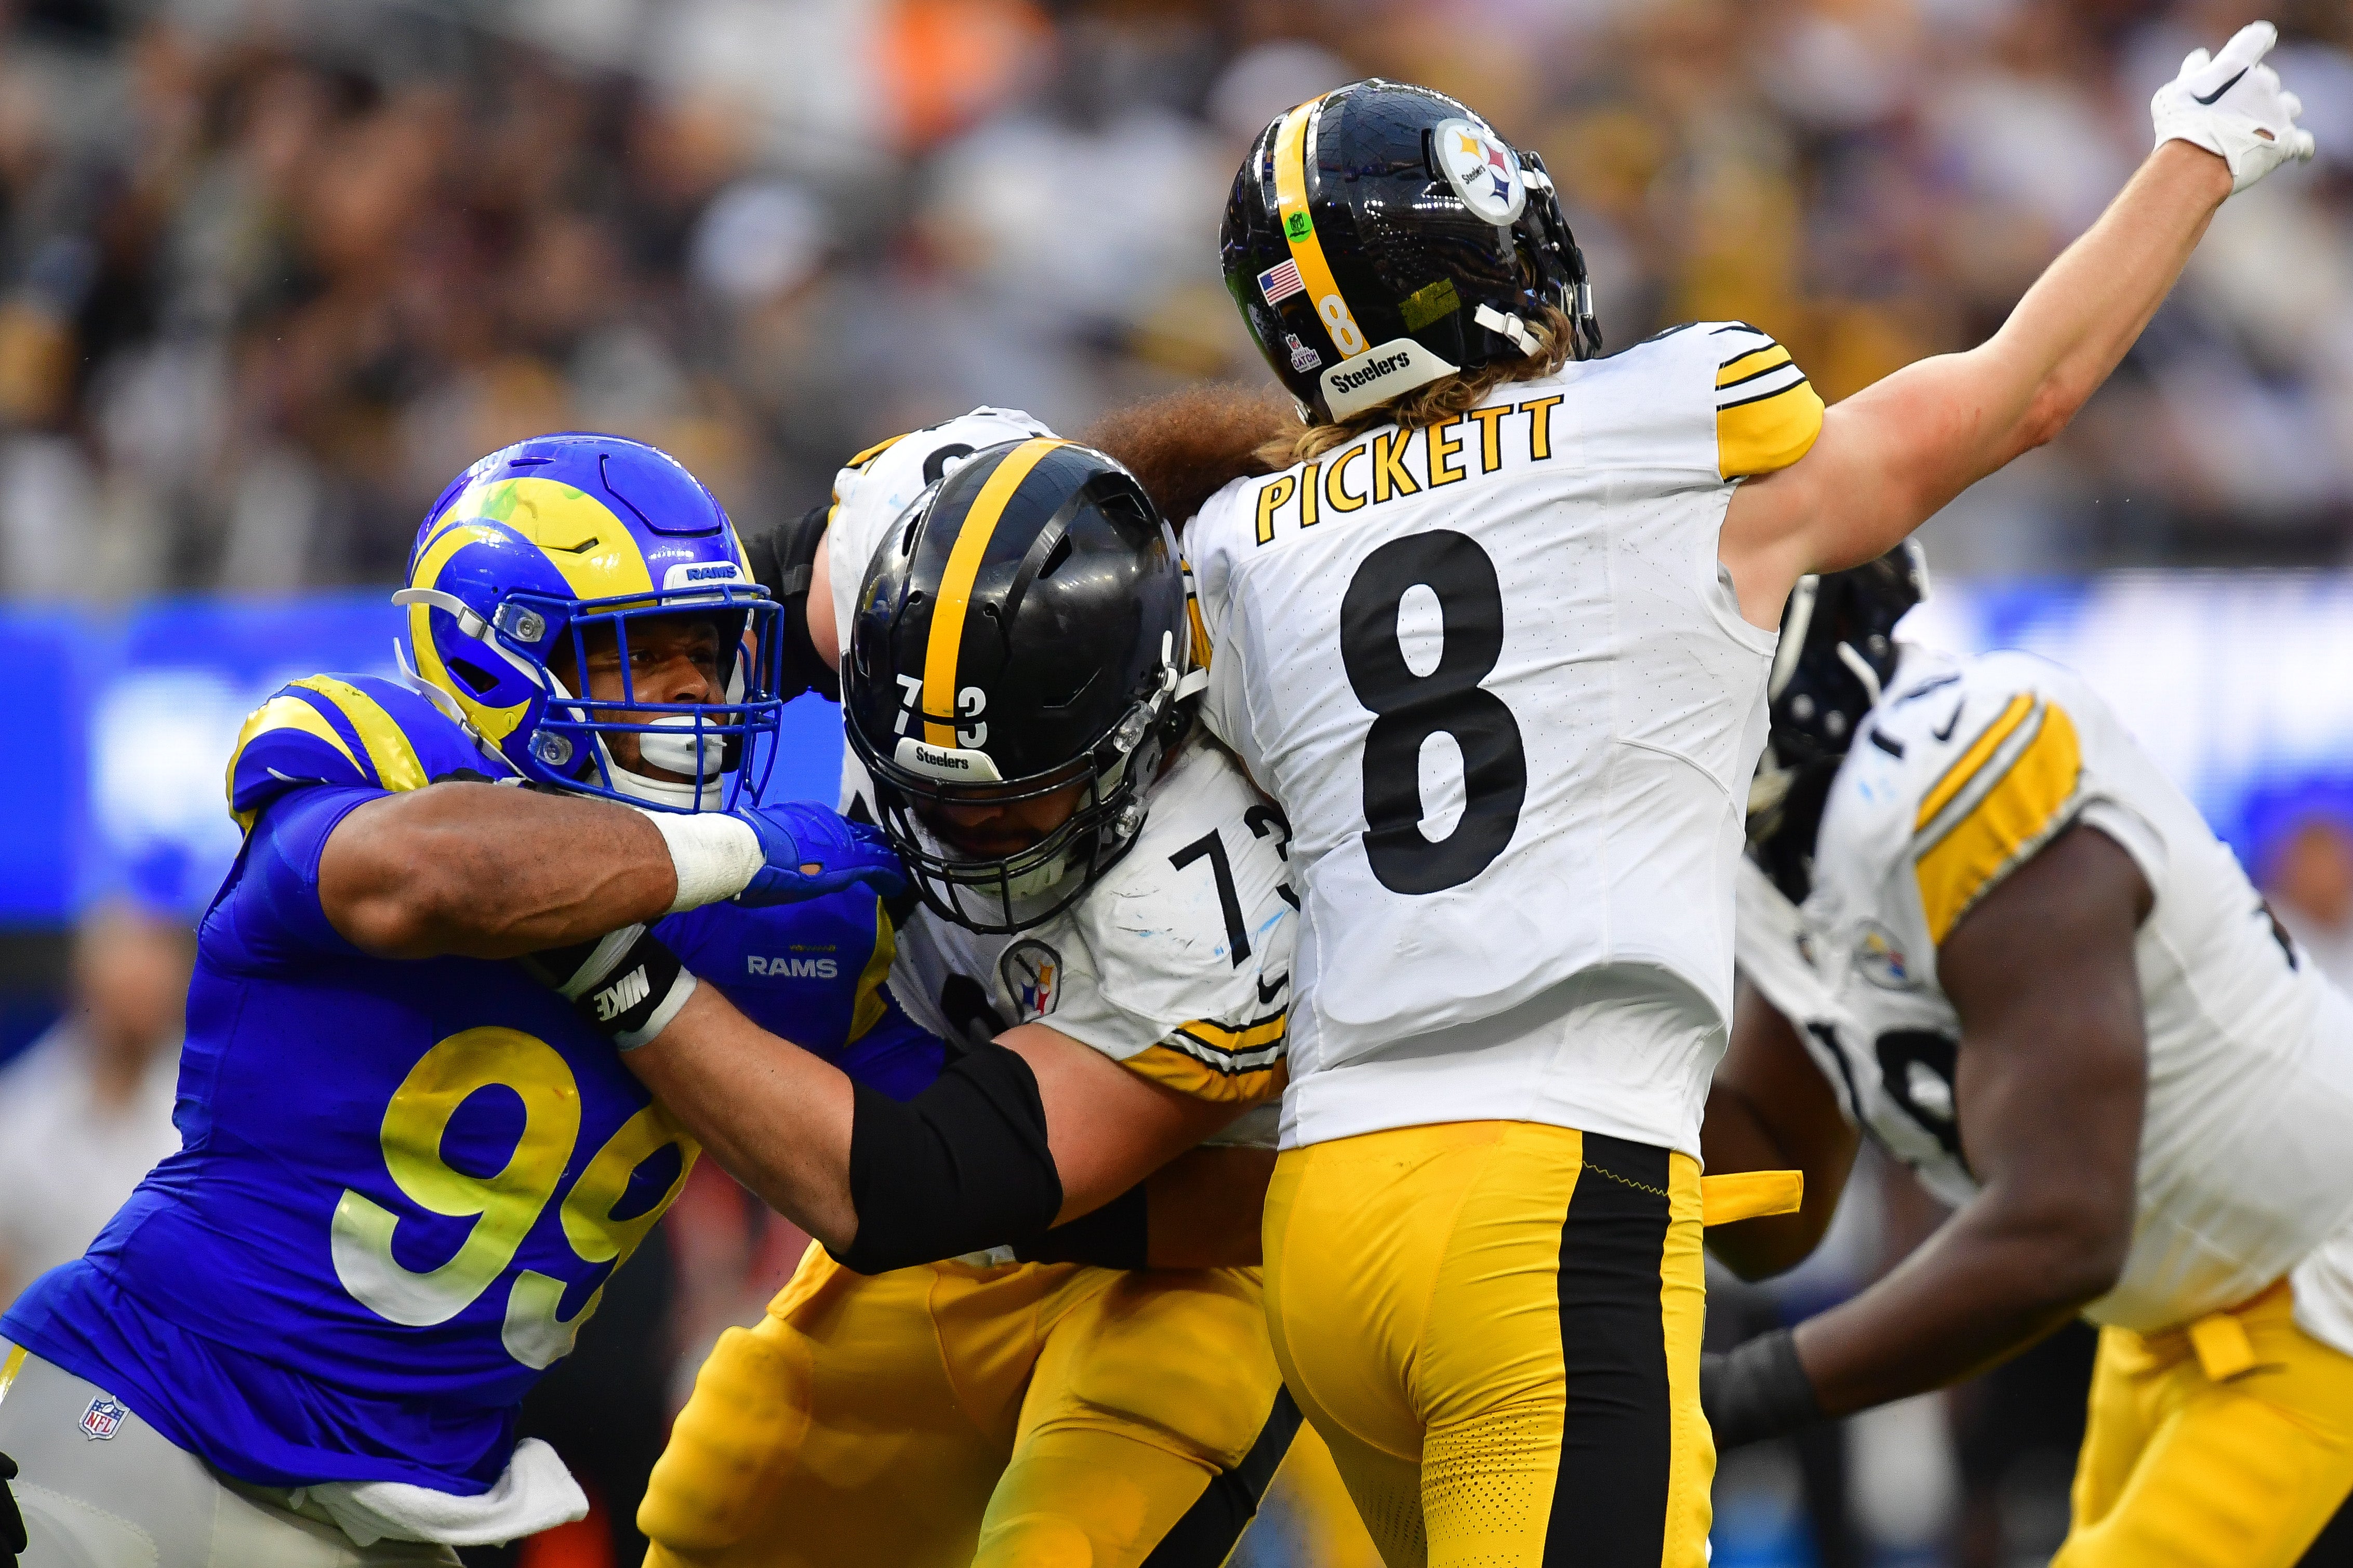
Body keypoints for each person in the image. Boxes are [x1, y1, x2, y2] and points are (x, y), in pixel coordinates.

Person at [1169, 34, 2317, 1566]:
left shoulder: (1243, 542)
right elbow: (2019, 396)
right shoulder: (1666, 428)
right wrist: (2193, 160)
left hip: (1322, 1203)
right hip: (1543, 1193)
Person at [0, 432, 905, 1565]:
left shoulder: (772, 928)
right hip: (151, 1417)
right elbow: (434, 875)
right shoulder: (386, 766)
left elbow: (884, 1183)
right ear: (496, 666)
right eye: (639, 653)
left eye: (708, 652)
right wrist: (731, 850)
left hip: (410, 1507)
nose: (693, 693)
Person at [625, 424, 1315, 1567]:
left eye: (1011, 801)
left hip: (1180, 1259)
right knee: (716, 1509)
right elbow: (669, 640)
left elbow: (930, 1185)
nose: (960, 831)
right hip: (959, 1184)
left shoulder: (1212, 896)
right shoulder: (901, 549)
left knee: (1056, 1550)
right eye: (926, 791)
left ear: (1138, 735)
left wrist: (632, 973)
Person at [1706, 542, 2353, 1566]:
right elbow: (1773, 1198)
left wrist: (1726, 1398)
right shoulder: (1775, 847)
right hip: (2166, 1317)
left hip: (2317, 1295)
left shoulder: (1961, 764)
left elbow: (2059, 1224)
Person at [0, 900, 190, 1311]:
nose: (140, 994)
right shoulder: (18, 1113)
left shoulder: (219, 1112)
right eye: (127, 978)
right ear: (82, 982)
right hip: (44, 1360)